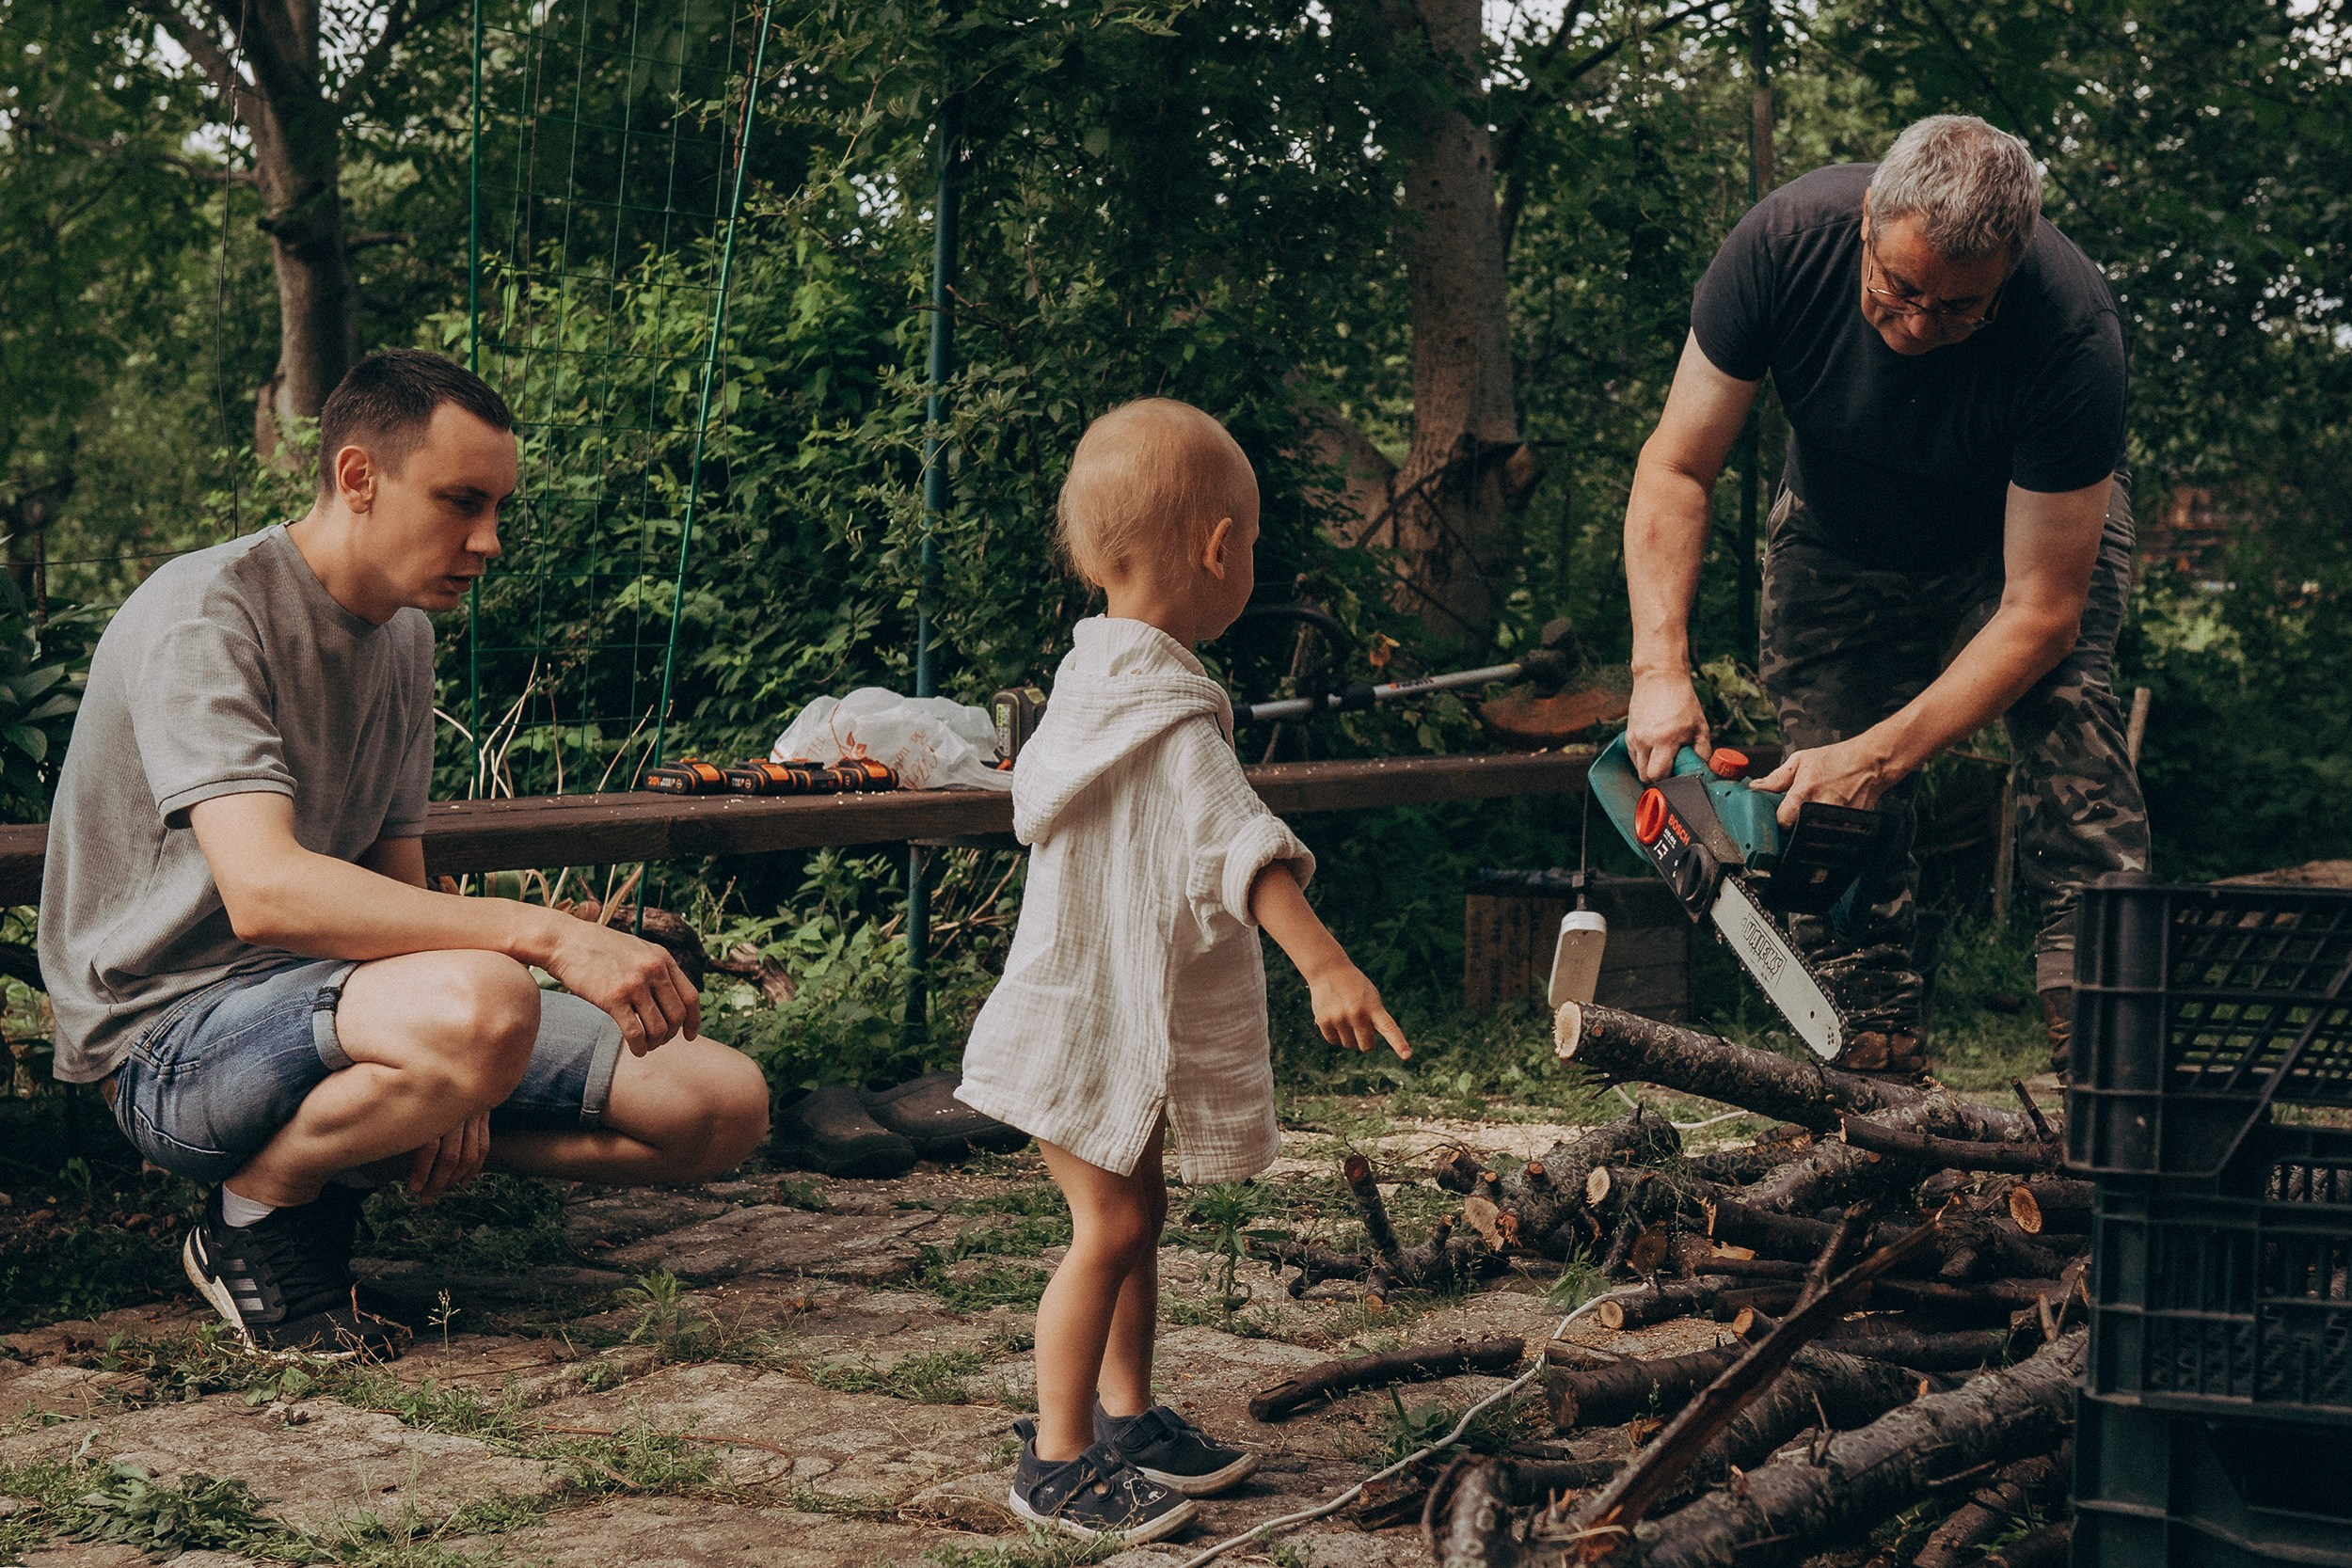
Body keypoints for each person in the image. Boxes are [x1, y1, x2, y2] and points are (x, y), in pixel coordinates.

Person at [38, 349, 771, 1359]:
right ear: (356, 476)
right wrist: (536, 948)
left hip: (335, 1005)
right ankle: (255, 1213)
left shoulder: (402, 637)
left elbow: (394, 873)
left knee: (715, 1104)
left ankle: (351, 1144)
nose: (489, 539)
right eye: (462, 501)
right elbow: (264, 890)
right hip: (169, 1037)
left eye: (499, 507)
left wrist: (463, 1073)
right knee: (487, 999)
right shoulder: (207, 611)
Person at [955, 399, 1413, 1543]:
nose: (1247, 562)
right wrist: (1327, 963)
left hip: (1088, 1018)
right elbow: (1242, 849)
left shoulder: (1090, 685)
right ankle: (1054, 1455)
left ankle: (1128, 1417)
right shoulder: (1173, 724)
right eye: (1249, 543)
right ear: (1219, 549)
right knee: (1106, 1229)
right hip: (1084, 1028)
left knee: (1136, 1213)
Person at [1621, 114, 2148, 1069]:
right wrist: (1660, 664)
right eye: (1900, 288)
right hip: (1838, 526)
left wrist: (1883, 754)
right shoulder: (1781, 245)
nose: (1918, 324)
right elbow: (1678, 466)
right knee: (1821, 779)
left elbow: (2040, 609)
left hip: (2018, 539)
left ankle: (2103, 1031)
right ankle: (1865, 1035)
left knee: (2069, 720)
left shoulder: (2071, 330)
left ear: (2009, 268)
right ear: (1867, 218)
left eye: (1959, 309)